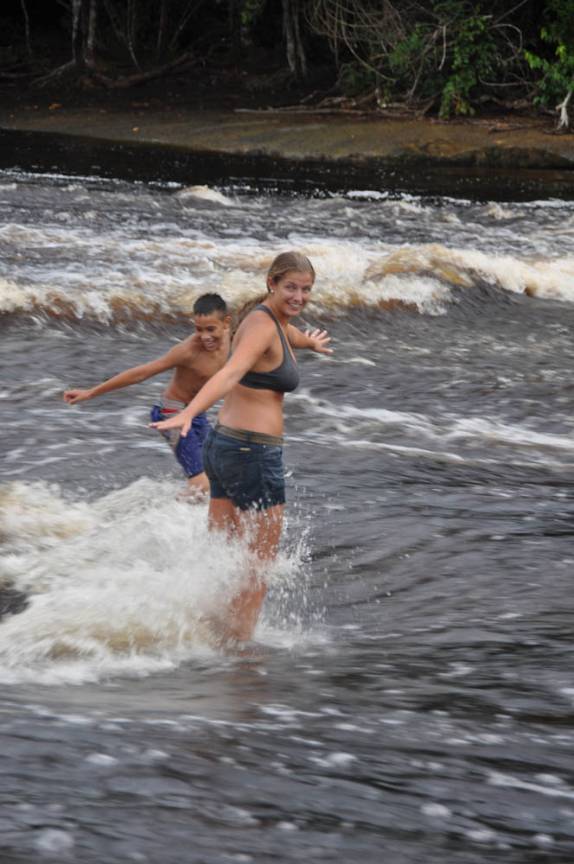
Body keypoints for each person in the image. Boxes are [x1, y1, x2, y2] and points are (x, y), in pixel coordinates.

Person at [150, 251, 332, 644]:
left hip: (225, 448)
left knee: (225, 554)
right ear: (271, 283)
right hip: (252, 452)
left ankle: (204, 634)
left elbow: (290, 336)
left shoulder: (269, 321)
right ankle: (240, 654)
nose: (299, 296)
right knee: (259, 565)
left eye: (306, 289)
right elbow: (231, 373)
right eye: (291, 288)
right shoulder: (262, 326)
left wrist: (310, 344)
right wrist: (189, 412)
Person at [64, 293, 231, 496]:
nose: (205, 336)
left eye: (210, 329)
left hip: (195, 414)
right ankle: (170, 516)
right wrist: (91, 393)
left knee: (219, 475)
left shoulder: (235, 339)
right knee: (201, 485)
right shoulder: (188, 351)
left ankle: (206, 520)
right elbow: (141, 373)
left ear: (226, 323)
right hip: (171, 413)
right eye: (198, 329)